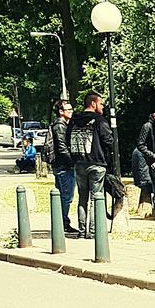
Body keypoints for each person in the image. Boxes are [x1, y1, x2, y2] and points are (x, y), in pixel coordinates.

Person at [69, 91, 114, 237]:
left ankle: (82, 231)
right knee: (96, 197)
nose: (102, 106)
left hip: (79, 162)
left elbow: (67, 137)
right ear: (93, 104)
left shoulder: (74, 119)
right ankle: (94, 231)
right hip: (96, 162)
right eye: (101, 103)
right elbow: (108, 140)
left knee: (82, 197)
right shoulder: (99, 120)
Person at [48, 99, 77, 238]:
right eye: (68, 110)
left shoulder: (63, 124)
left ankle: (62, 222)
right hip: (63, 166)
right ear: (61, 112)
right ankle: (63, 223)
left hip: (62, 165)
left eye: (72, 109)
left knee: (62, 196)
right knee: (66, 196)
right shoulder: (60, 125)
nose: (71, 112)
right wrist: (72, 162)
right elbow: (62, 147)